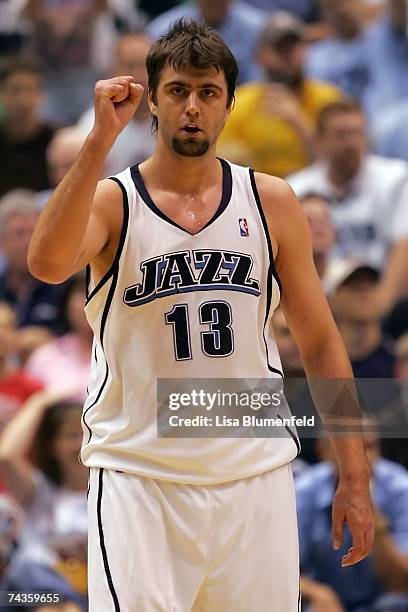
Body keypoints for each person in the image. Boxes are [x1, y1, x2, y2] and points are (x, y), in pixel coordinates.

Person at [28, 19, 374, 610]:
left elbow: (318, 342)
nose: (193, 107)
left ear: (229, 105)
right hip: (141, 478)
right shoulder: (115, 200)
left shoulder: (272, 202)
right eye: (179, 91)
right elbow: (47, 263)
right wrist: (96, 142)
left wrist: (355, 473)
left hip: (254, 476)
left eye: (208, 93)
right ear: (153, 103)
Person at [288, 99, 408, 318]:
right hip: (321, 301)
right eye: (342, 135)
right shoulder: (295, 189)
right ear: (318, 141)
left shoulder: (396, 178)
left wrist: (379, 307)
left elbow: (404, 243)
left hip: (382, 294)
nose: (351, 143)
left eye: (357, 133)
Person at [218, 11, 342, 177]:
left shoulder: (327, 97)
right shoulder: (240, 102)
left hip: (314, 192)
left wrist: (297, 121)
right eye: (280, 48)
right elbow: (219, 159)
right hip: (258, 192)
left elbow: (339, 164)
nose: (289, 55)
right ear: (260, 56)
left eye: (294, 46)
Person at [296, 428, 408, 612]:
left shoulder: (400, 488)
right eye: (353, 451)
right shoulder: (303, 492)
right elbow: (278, 570)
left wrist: (376, 521)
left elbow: (401, 581)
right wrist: (318, 593)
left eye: (370, 447)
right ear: (323, 451)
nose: (363, 460)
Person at [0, 391, 88, 611]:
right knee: (29, 575)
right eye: (71, 435)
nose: (81, 443)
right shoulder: (40, 489)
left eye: (88, 433)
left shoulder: (113, 494)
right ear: (52, 445)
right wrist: (40, 401)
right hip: (21, 594)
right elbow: (6, 456)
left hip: (87, 597)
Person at [306, 0, 408, 122]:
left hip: (392, 127)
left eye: (348, 2)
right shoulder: (315, 58)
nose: (342, 10)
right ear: (323, 13)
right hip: (346, 132)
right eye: (332, 5)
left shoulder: (385, 37)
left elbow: (399, 8)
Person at [77, 33, 155, 176]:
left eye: (147, 67)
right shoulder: (92, 124)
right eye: (130, 67)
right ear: (113, 71)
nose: (140, 76)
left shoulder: (172, 121)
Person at [147, 0, 266, 84]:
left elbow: (261, 79)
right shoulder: (162, 29)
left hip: (245, 104)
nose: (214, 2)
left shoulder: (259, 26)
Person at [0, 190, 67, 331]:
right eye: (19, 234)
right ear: (2, 242)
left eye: (33, 233)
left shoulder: (63, 286)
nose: (27, 242)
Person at [25, 274, 92, 402]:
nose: (89, 304)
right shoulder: (45, 355)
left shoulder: (122, 355)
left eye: (96, 294)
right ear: (67, 303)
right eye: (82, 294)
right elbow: (27, 405)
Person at [0, 56, 56, 197]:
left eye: (30, 90)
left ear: (41, 95)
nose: (23, 100)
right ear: (2, 94)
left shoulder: (56, 140)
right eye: (15, 90)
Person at [300, 192, 335, 279]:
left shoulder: (356, 275)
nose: (320, 230)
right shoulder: (279, 282)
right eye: (309, 221)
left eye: (325, 220)